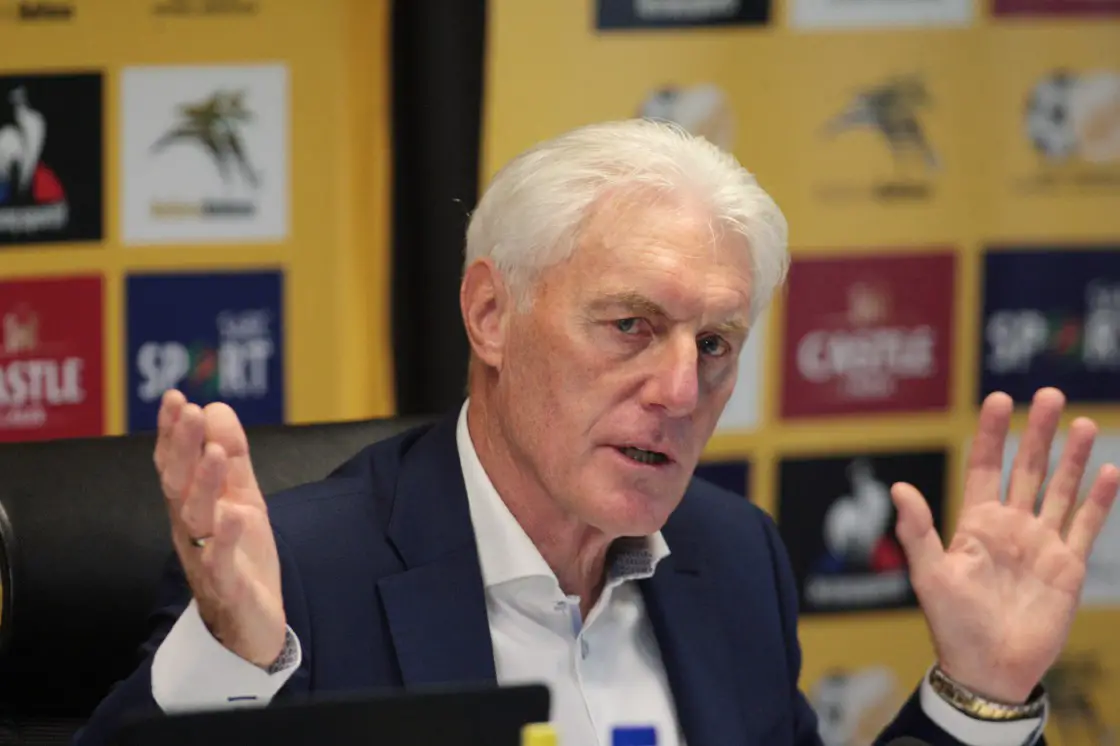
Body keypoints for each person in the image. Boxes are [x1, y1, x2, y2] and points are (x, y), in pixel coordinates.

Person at [74, 119, 1118, 746]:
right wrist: (233, 661)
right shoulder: (298, 571)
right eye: (630, 327)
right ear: (491, 313)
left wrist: (979, 690)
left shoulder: (730, 558)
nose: (679, 388)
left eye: (716, 343)